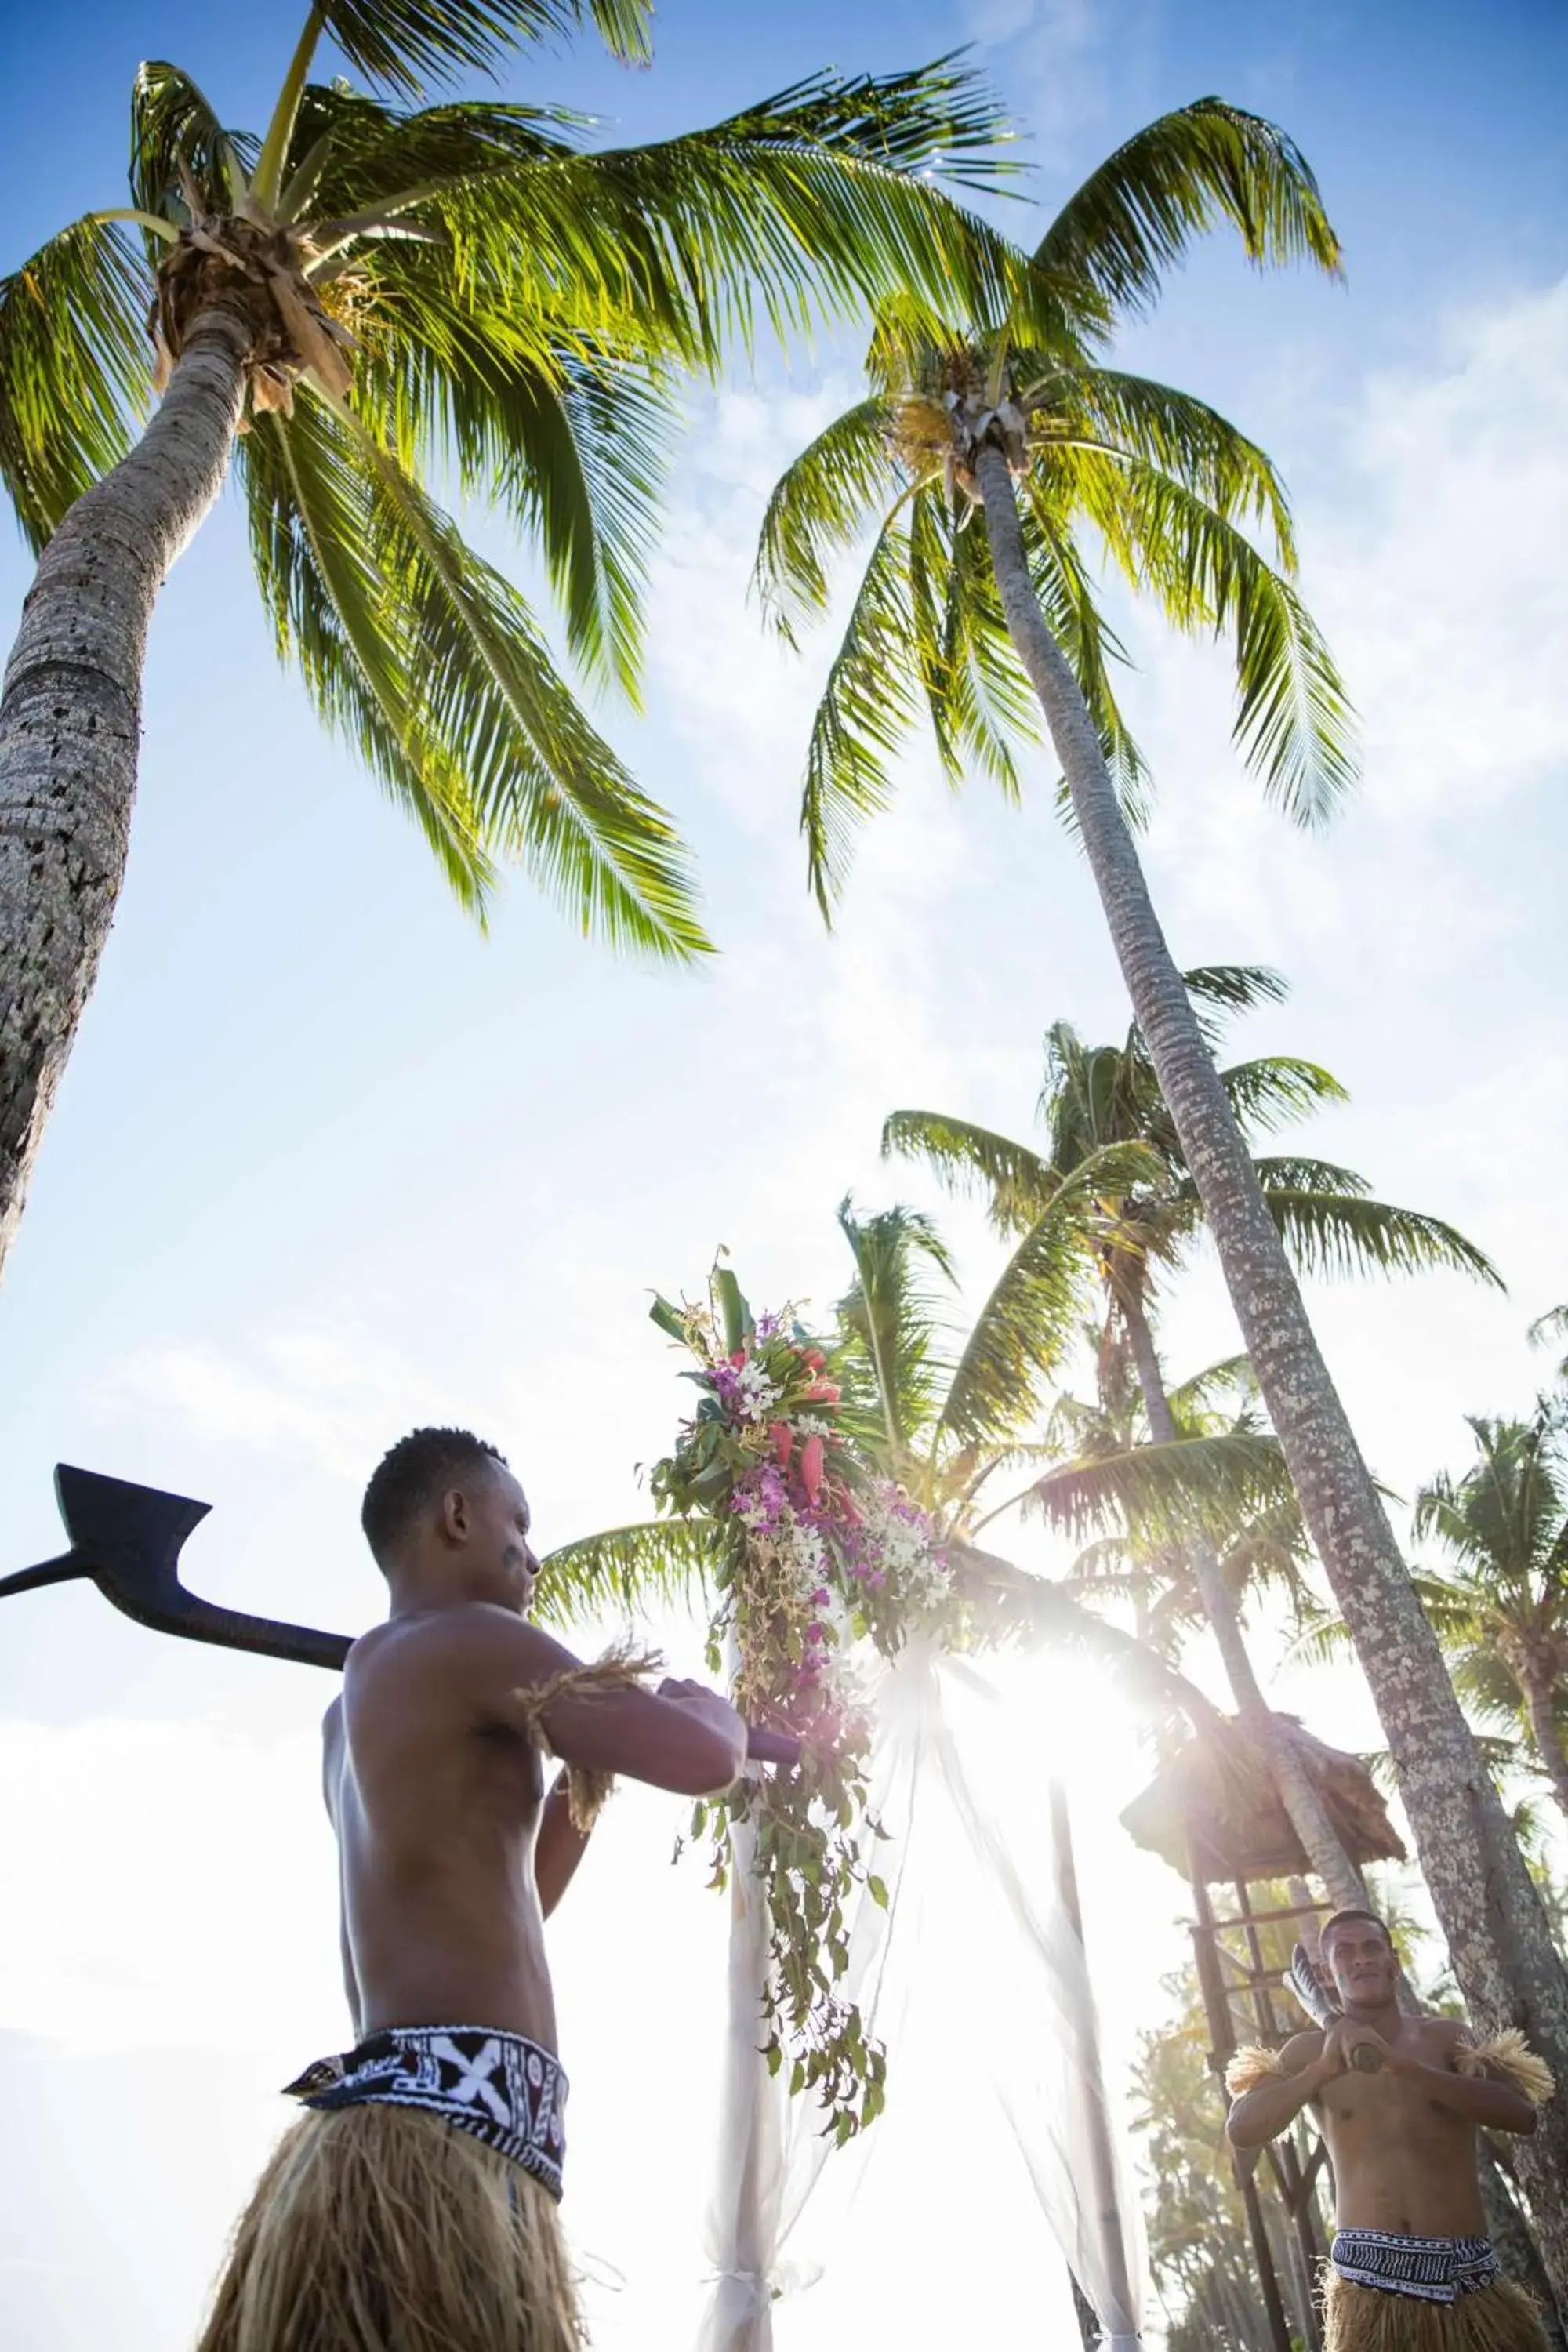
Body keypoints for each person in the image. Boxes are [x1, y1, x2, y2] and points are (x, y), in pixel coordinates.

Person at [197, 1426, 750, 2352]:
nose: (531, 1556)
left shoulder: (353, 1710)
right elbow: (703, 1761)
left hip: (445, 2125)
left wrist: (587, 1773)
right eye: (518, 1525)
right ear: (457, 1516)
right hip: (445, 2141)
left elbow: (515, 1901)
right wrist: (715, 1714)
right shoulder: (476, 1641)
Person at [1225, 1906, 1555, 2352]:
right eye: (1345, 1951)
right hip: (1369, 2289)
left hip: (1470, 2286)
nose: (1360, 1959)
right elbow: (1242, 2128)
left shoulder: (1449, 2039)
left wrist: (1408, 2069)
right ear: (1327, 1971)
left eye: (1371, 1948)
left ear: (1393, 1963)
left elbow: (1521, 2114)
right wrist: (1321, 2071)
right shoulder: (1305, 2051)